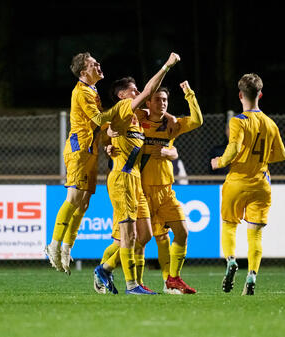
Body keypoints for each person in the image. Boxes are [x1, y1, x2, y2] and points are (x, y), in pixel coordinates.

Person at [93, 52, 181, 295]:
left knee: (144, 235)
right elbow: (147, 93)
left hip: (136, 181)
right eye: (133, 90)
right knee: (127, 235)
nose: (138, 92)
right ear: (122, 95)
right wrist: (167, 66)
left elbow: (149, 117)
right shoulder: (123, 109)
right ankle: (131, 285)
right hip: (122, 179)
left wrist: (109, 141)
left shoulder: (136, 119)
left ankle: (106, 268)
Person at [211, 73, 285, 295]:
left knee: (229, 225)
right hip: (261, 183)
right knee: (255, 235)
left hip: (236, 181)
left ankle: (231, 260)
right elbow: (281, 155)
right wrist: (260, 158)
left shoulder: (238, 121)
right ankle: (251, 277)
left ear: (240, 95)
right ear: (260, 95)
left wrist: (220, 162)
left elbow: (234, 147)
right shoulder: (270, 124)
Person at [44, 52, 114, 275]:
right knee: (73, 198)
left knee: (83, 203)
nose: (98, 65)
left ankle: (66, 246)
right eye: (94, 64)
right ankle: (53, 244)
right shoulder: (82, 92)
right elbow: (100, 120)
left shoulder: (92, 90)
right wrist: (123, 112)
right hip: (79, 150)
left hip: (91, 151)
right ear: (84, 72)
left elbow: (101, 124)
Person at [136, 82, 203, 294]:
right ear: (148, 101)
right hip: (143, 191)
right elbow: (124, 113)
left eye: (165, 100)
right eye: (157, 99)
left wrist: (189, 94)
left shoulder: (171, 125)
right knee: (145, 239)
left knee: (181, 232)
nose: (162, 103)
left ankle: (172, 279)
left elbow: (197, 120)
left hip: (166, 191)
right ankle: (128, 279)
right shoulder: (138, 120)